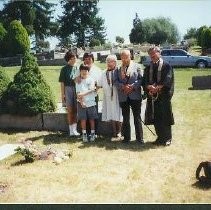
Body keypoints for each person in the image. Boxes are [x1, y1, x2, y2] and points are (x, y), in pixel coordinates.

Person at [143, 46, 174, 146]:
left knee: (165, 117)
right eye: (150, 54)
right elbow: (144, 81)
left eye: (153, 53)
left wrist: (157, 88)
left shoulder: (166, 66)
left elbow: (168, 80)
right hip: (152, 97)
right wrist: (149, 87)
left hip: (164, 96)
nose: (152, 55)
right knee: (156, 118)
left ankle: (168, 138)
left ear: (159, 53)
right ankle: (160, 138)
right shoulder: (148, 67)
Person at [114, 49, 144, 144]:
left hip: (135, 95)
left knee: (137, 117)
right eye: (122, 57)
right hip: (123, 96)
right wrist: (123, 86)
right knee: (125, 118)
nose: (124, 59)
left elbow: (141, 79)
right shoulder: (118, 69)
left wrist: (132, 86)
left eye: (126, 57)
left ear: (130, 56)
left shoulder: (137, 66)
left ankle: (140, 138)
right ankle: (126, 138)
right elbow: (115, 81)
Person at [98, 54, 122, 138]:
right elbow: (99, 84)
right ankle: (114, 131)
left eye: (111, 61)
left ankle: (119, 131)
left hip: (117, 96)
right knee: (111, 113)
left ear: (115, 62)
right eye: (107, 61)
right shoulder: (103, 72)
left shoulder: (118, 71)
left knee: (118, 112)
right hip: (108, 97)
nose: (109, 63)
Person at [59, 51, 80, 137]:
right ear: (68, 59)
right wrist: (63, 94)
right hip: (68, 89)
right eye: (72, 58)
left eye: (75, 58)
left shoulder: (77, 68)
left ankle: (75, 130)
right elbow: (62, 83)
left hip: (77, 89)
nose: (74, 60)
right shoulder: (64, 69)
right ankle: (71, 130)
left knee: (76, 110)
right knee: (70, 110)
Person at [75, 64, 98, 142]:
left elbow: (91, 89)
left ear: (88, 71)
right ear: (80, 71)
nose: (84, 72)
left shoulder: (91, 79)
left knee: (92, 119)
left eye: (86, 70)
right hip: (81, 103)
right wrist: (82, 102)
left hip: (91, 103)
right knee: (83, 119)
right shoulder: (78, 81)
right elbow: (78, 94)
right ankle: (84, 134)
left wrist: (83, 94)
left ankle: (92, 134)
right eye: (82, 70)